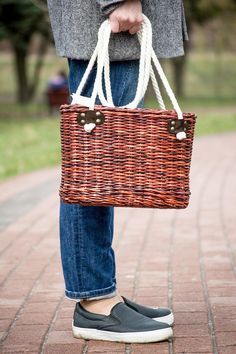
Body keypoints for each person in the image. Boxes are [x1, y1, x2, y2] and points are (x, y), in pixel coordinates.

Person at [47, 0, 188, 344]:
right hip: (111, 15)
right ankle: (95, 303)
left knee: (101, 171)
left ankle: (101, 289)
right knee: (91, 172)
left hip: (119, 24)